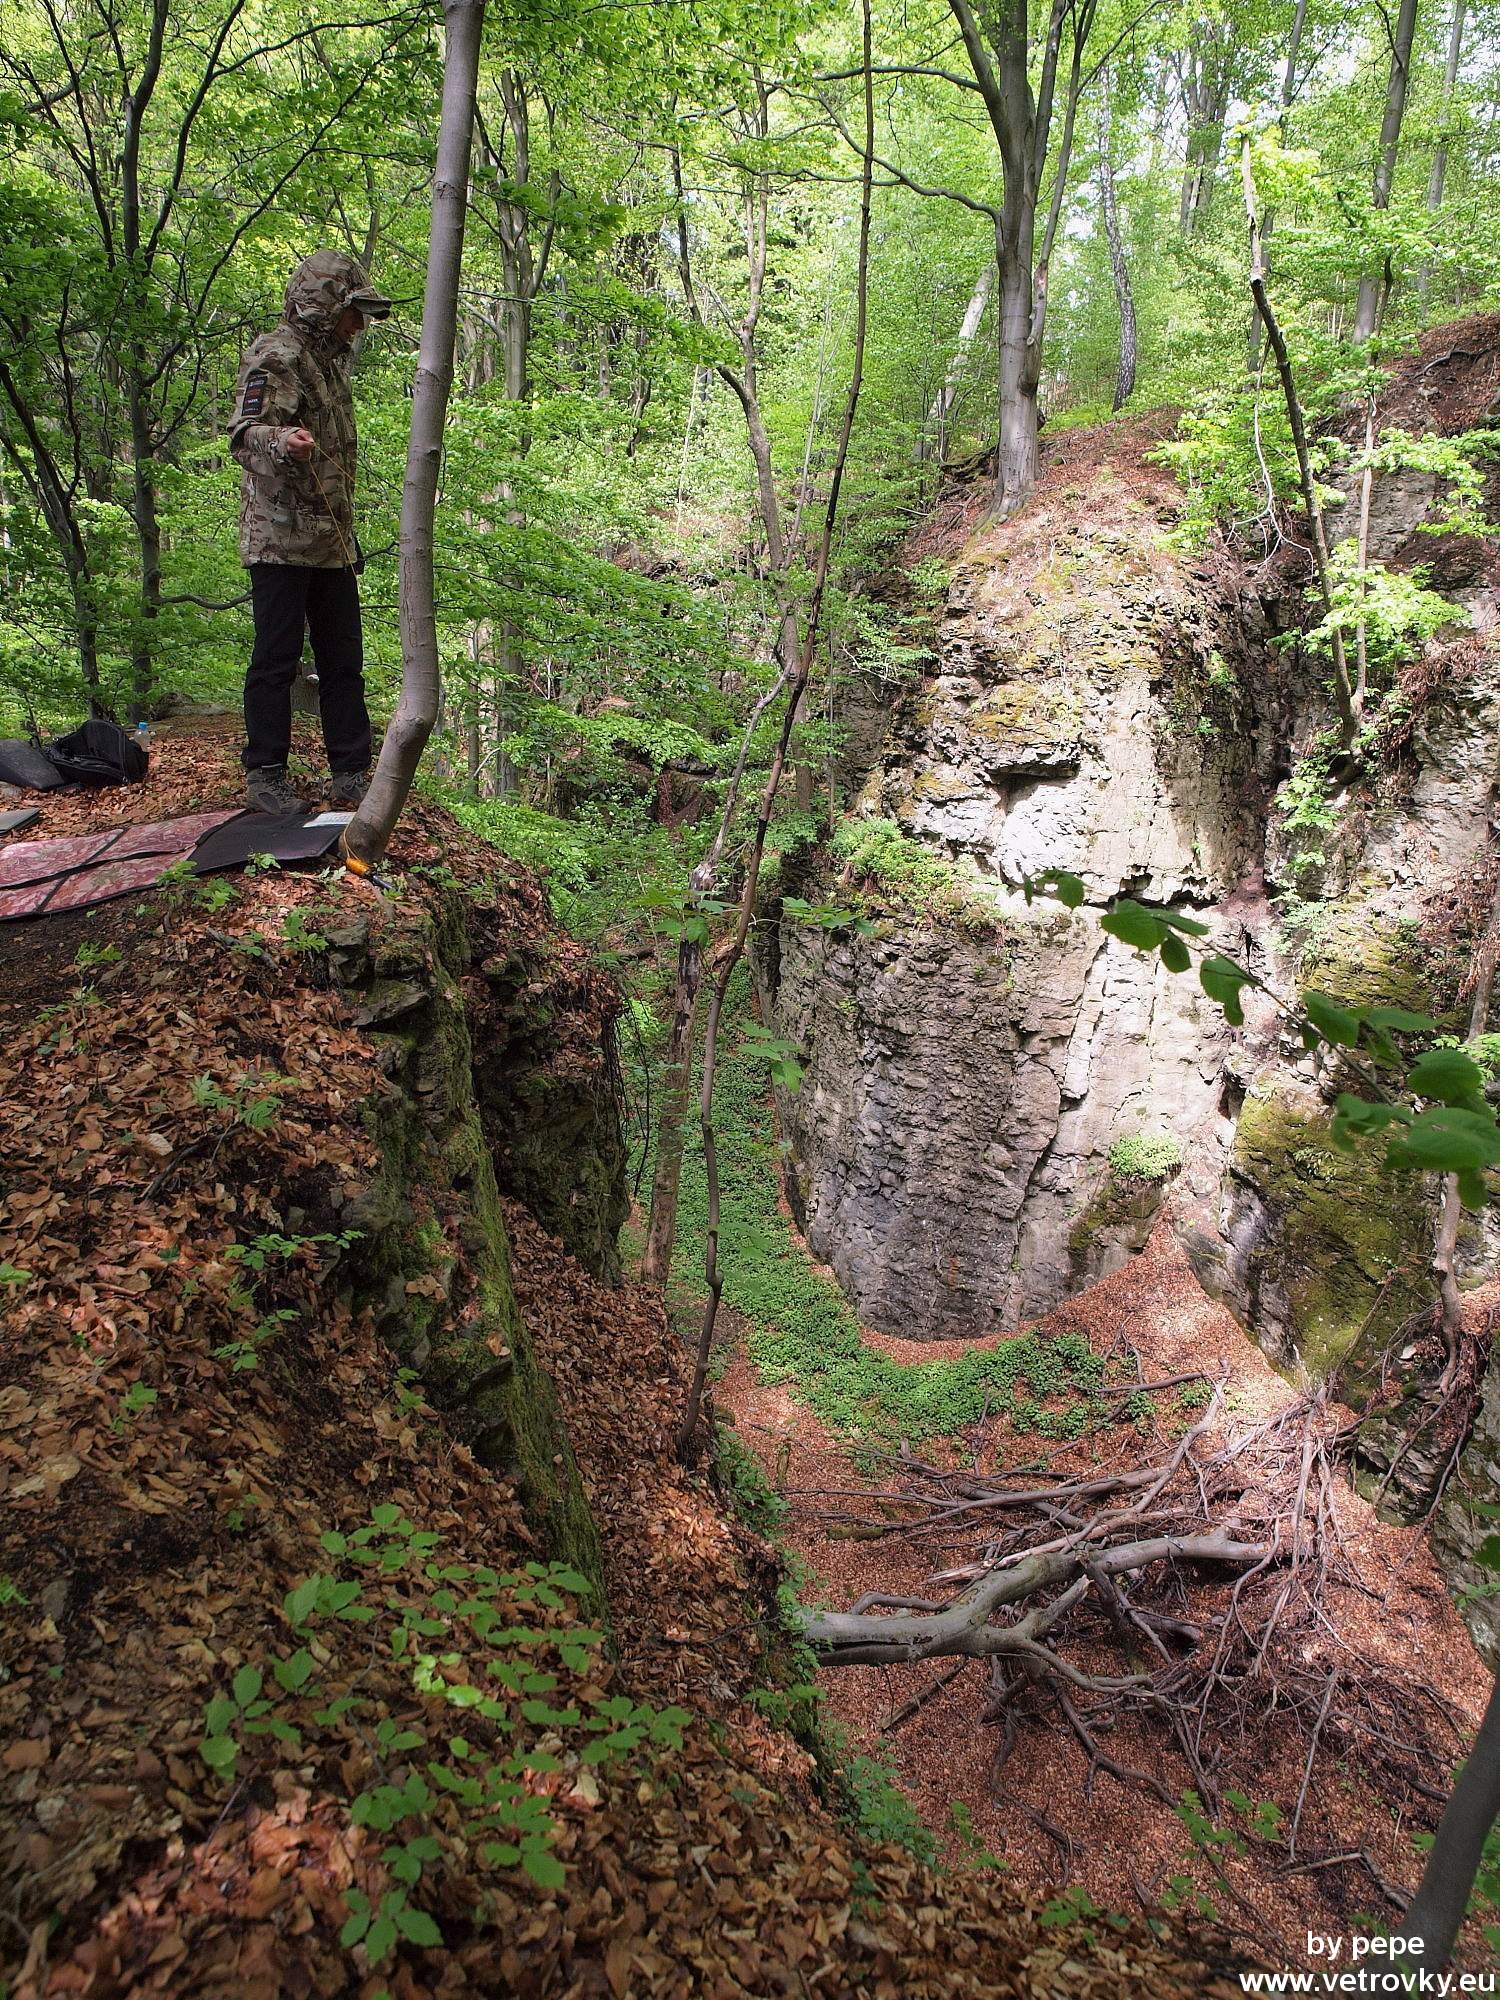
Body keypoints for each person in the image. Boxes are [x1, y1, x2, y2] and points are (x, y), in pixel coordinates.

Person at [228, 249, 391, 813]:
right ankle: (266, 777)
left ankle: (351, 775)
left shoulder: (330, 363)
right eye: (353, 312)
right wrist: (282, 441)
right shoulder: (277, 355)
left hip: (331, 542)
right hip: (279, 540)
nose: (359, 325)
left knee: (343, 662)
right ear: (323, 308)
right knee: (276, 661)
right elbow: (245, 433)